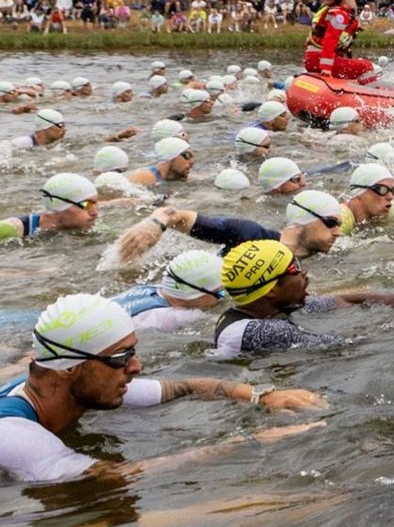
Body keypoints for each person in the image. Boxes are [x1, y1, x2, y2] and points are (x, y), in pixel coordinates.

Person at [0, 294, 322, 483]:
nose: (136, 367)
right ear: (69, 368)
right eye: (121, 357)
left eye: (133, 352)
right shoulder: (16, 436)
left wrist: (262, 396)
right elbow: (113, 474)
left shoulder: (65, 388)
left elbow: (187, 386)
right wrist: (247, 442)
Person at [213, 239, 394, 357]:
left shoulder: (265, 306)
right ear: (270, 289)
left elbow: (344, 301)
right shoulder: (266, 330)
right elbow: (351, 346)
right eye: (295, 270)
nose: (307, 275)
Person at [112, 189, 349, 263]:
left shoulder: (326, 259)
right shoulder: (249, 234)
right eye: (331, 223)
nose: (337, 232)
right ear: (303, 219)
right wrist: (154, 224)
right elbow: (174, 214)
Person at [108, 250, 226, 332]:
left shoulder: (146, 289)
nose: (223, 295)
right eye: (220, 292)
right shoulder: (179, 316)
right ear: (194, 295)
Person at [304, 0, 377, 82]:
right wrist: (326, 67)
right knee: (367, 66)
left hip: (314, 59)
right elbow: (330, 40)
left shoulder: (337, 12)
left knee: (360, 64)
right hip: (319, 60)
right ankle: (356, 91)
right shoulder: (340, 16)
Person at [0, 173, 100, 240]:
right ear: (60, 205)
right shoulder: (12, 228)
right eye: (86, 204)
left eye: (95, 203)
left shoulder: (95, 226)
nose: (95, 212)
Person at [125, 137, 195, 186]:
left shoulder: (177, 176)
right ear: (171, 157)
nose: (192, 162)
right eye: (187, 156)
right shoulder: (145, 176)